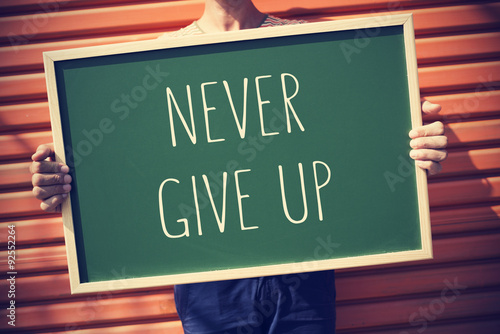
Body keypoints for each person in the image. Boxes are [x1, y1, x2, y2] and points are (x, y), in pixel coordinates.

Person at [30, 1, 448, 333]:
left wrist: (412, 152)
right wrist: (68, 185)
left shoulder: (311, 45)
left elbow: (359, 150)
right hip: (207, 284)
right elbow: (126, 173)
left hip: (305, 274)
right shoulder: (154, 64)